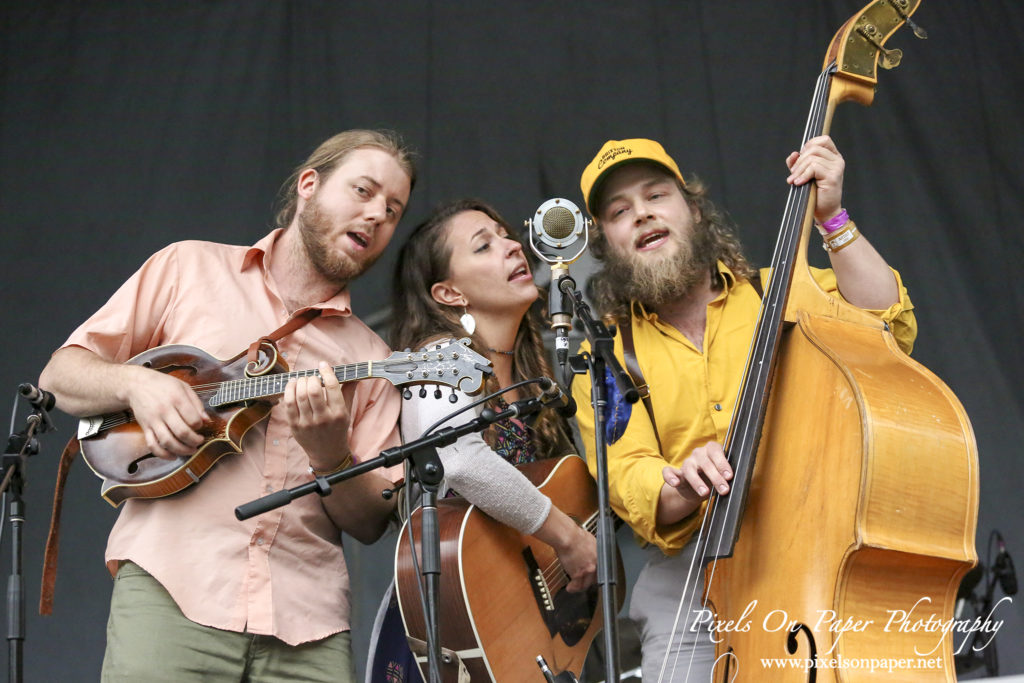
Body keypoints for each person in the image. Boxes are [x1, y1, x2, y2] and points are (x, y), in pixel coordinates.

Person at [38, 129, 417, 682]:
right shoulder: (187, 268)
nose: (376, 215)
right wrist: (137, 386)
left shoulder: (374, 358)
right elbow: (60, 376)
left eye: (393, 209)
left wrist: (332, 456)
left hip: (308, 622)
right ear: (309, 185)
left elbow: (369, 522)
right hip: (173, 586)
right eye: (363, 190)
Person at [569, 136, 917, 681]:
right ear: (608, 244)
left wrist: (833, 220)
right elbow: (629, 474)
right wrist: (679, 483)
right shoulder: (605, 354)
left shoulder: (782, 294)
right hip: (692, 573)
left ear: (695, 210)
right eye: (619, 212)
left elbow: (887, 331)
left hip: (814, 544)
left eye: (656, 195)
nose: (641, 215)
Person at [366, 198, 599, 682]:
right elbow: (463, 462)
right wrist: (569, 537)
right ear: (449, 293)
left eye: (506, 234)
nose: (513, 245)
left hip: (519, 636)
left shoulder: (534, 383)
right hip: (453, 621)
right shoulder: (438, 359)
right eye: (484, 245)